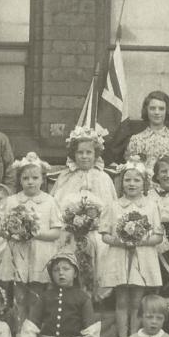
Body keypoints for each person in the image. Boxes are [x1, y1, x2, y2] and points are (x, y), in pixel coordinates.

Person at [100, 159, 164, 337]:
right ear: (121, 183)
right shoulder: (113, 206)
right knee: (121, 301)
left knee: (137, 301)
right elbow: (104, 234)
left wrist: (139, 240)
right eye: (127, 180)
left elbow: (158, 236)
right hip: (119, 255)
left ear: (144, 183)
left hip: (142, 257)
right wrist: (120, 241)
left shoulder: (151, 206)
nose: (132, 184)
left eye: (136, 180)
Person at [52, 125, 117, 298]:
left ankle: (94, 294)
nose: (84, 156)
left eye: (89, 152)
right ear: (74, 154)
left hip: (96, 229)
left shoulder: (103, 178)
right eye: (80, 152)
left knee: (100, 245)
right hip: (69, 228)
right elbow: (56, 205)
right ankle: (68, 291)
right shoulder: (65, 176)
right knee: (65, 243)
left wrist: (94, 223)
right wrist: (71, 221)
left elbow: (110, 208)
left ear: (96, 154)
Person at [0, 152, 63, 325]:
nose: (30, 182)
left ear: (43, 179)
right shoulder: (12, 201)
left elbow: (56, 233)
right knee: (19, 293)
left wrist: (35, 234)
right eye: (26, 178)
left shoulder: (50, 201)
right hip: (18, 251)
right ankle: (20, 332)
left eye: (35, 177)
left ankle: (33, 331)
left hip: (40, 252)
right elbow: (3, 229)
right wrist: (15, 233)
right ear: (20, 180)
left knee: (37, 294)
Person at [124, 91, 169, 175]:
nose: (157, 112)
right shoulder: (136, 139)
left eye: (161, 109)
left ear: (167, 111)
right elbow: (131, 169)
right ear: (146, 110)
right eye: (152, 108)